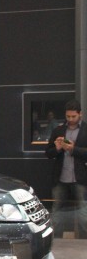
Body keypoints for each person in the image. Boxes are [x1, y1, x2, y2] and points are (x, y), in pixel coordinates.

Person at [45, 99, 87, 234]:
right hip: (60, 178)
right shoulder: (59, 130)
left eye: (73, 116)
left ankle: (84, 242)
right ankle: (55, 240)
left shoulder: (85, 130)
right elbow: (48, 153)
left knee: (83, 214)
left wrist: (73, 149)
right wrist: (57, 148)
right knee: (57, 212)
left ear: (80, 114)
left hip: (80, 178)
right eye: (68, 116)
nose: (70, 119)